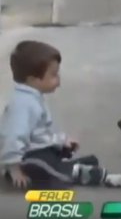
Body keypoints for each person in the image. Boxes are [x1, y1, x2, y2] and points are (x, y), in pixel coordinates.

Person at [0, 40, 107, 189]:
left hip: (40, 150)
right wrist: (14, 169)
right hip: (26, 158)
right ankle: (75, 173)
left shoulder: (34, 97)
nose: (59, 81)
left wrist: (62, 141)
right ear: (33, 79)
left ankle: (71, 167)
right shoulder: (23, 105)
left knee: (51, 159)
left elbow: (43, 133)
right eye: (53, 75)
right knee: (43, 167)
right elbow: (13, 137)